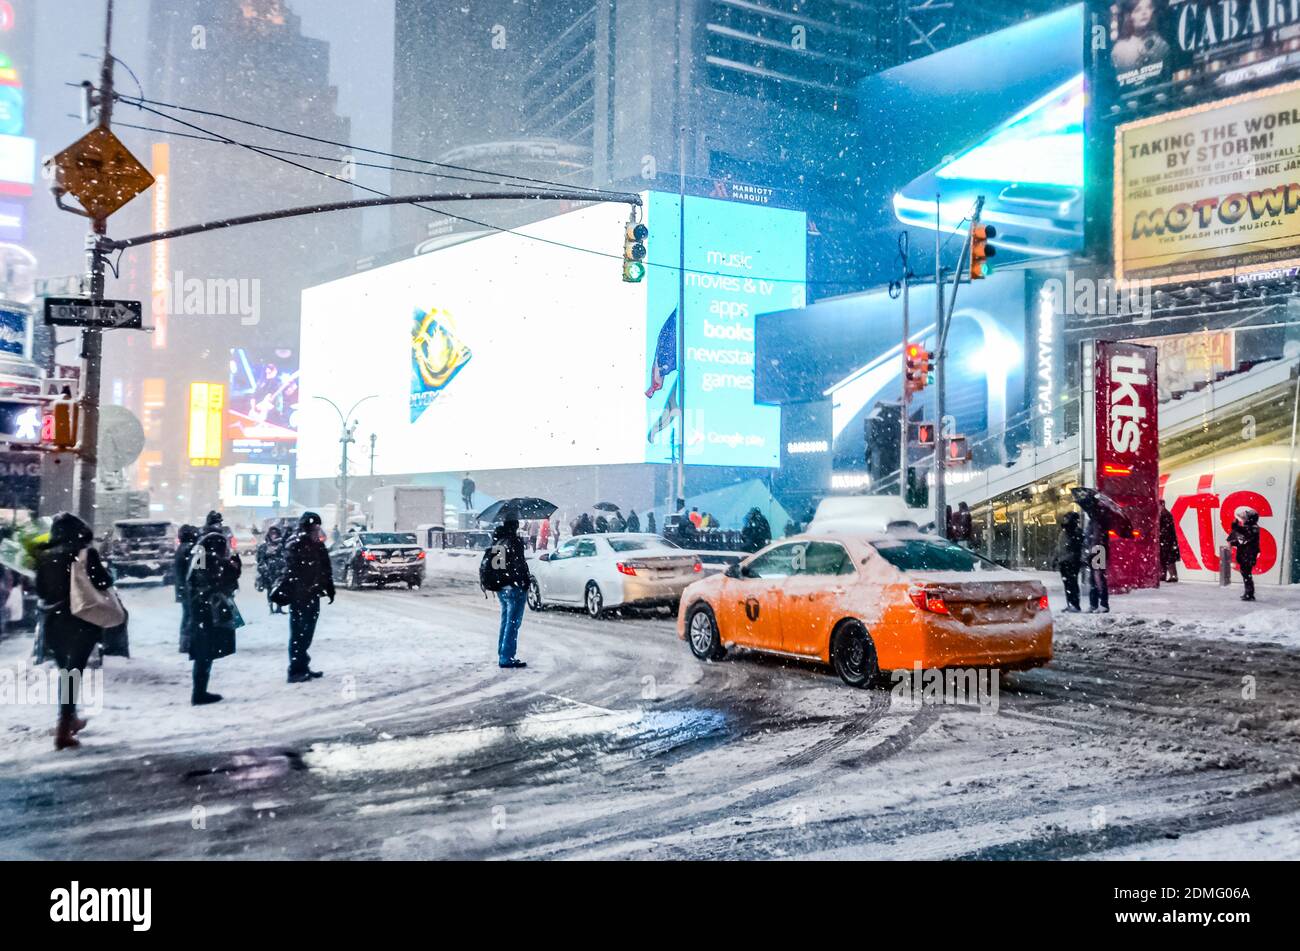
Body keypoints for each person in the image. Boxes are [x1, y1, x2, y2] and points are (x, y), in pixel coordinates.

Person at [35, 513, 114, 750]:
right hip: (80, 618)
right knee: (74, 672)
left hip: (52, 620)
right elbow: (103, 581)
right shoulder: (84, 554)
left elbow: (40, 590)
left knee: (65, 672)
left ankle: (69, 719)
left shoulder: (45, 555)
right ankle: (63, 730)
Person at [186, 522, 242, 705]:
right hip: (207, 614)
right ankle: (199, 693)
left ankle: (200, 691)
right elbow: (224, 579)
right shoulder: (210, 560)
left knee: (205, 654)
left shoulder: (200, 557)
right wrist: (234, 567)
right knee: (205, 654)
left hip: (201, 613)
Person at [282, 512, 335, 683]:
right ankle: (295, 669)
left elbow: (324, 567)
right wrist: (302, 587)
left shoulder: (314, 543)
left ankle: (302, 666)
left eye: (318, 527)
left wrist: (328, 586)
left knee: (306, 632)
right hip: (300, 596)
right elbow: (291, 570)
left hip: (311, 594)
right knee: (299, 633)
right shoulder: (297, 543)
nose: (316, 530)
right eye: (314, 527)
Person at [489, 511, 530, 669]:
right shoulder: (514, 541)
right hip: (515, 587)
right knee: (513, 624)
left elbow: (496, 565)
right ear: (515, 525)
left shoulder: (498, 540)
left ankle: (502, 653)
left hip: (502, 588)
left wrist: (502, 581)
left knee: (506, 621)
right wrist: (523, 582)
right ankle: (506, 657)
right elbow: (520, 566)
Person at [174, 524, 199, 653]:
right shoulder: (190, 549)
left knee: (187, 615)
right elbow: (197, 569)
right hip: (189, 589)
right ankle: (188, 643)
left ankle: (184, 642)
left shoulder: (181, 548)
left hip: (182, 588)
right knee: (191, 615)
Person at [1227, 508, 1261, 602]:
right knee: (1245, 574)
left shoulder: (1253, 528)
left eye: (1246, 517)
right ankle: (1249, 593)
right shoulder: (1251, 527)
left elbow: (1243, 534)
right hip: (1246, 555)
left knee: (1246, 574)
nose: (1244, 519)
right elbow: (1243, 540)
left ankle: (1249, 593)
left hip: (1248, 556)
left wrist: (1236, 524)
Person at [1055, 511, 1085, 613]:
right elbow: (1059, 547)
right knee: (1067, 584)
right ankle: (1070, 604)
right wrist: (1056, 558)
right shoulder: (1064, 531)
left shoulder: (1076, 532)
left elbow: (1076, 547)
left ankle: (1075, 605)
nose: (1065, 520)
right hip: (1064, 561)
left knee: (1072, 583)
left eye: (1067, 518)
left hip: (1071, 561)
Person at [256, 525, 288, 614]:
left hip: (279, 571)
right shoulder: (264, 546)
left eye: (275, 533)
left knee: (279, 589)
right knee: (270, 590)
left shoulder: (281, 545)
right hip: (269, 571)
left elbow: (285, 556)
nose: (274, 535)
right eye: (272, 533)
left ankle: (279, 607)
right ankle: (271, 608)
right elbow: (260, 559)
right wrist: (264, 569)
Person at [1086, 510, 1110, 614]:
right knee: (1094, 578)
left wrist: (1091, 549)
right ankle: (1095, 604)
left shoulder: (1097, 521)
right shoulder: (1095, 521)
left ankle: (1102, 604)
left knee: (1097, 578)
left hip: (1098, 550)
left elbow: (1096, 537)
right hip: (1097, 550)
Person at [1158, 500, 1179, 583]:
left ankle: (1172, 575)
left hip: (1167, 540)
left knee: (1169, 559)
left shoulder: (1165, 515)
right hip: (1167, 540)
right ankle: (1165, 575)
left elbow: (1165, 529)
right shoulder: (1165, 514)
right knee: (1165, 558)